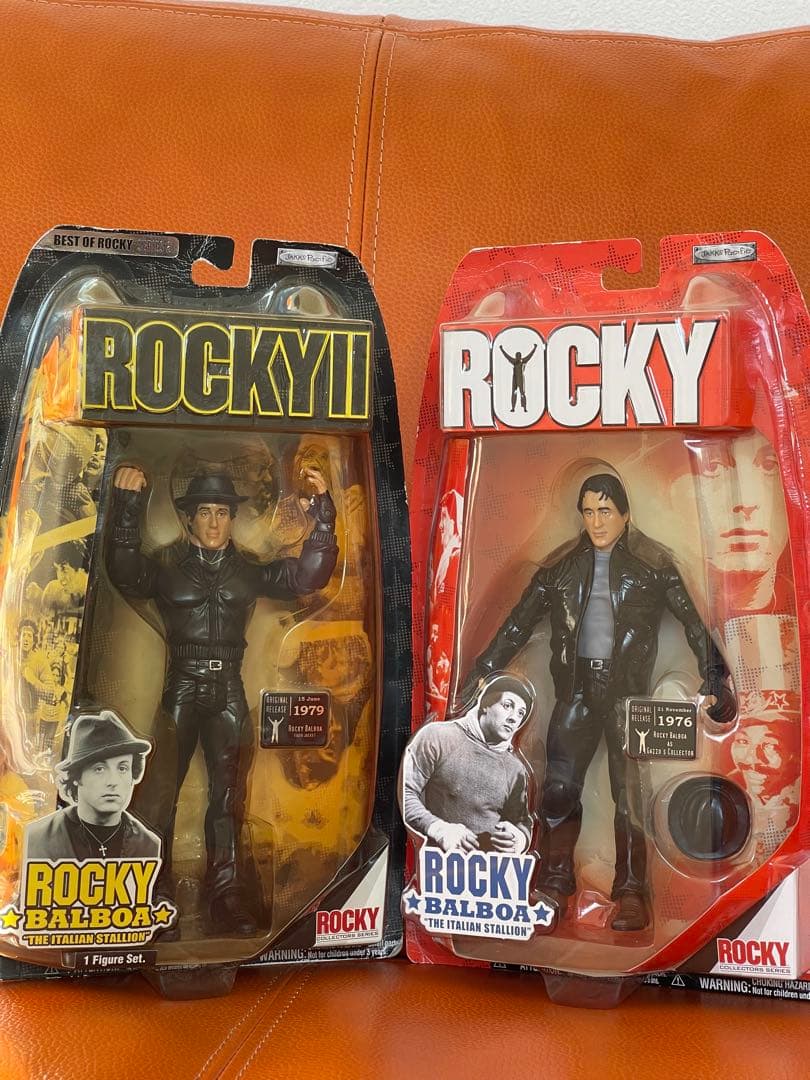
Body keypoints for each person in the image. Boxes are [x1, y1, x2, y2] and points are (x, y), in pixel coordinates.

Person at [465, 473, 736, 932]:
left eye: (605, 510)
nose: (596, 521)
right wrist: (481, 673)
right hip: (576, 691)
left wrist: (715, 676)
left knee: (630, 797)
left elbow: (693, 623)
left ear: (625, 513)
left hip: (629, 698)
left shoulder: (652, 566)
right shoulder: (561, 569)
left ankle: (631, 892)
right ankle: (553, 883)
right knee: (558, 791)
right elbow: (517, 625)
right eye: (589, 511)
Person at [106, 466, 338, 935]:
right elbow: (126, 572)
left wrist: (324, 518)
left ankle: (226, 892)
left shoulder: (247, 572)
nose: (214, 522)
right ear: (189, 518)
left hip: (229, 686)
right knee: (160, 790)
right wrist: (127, 507)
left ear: (233, 518)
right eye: (205, 512)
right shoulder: (170, 569)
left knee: (229, 795)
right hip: (182, 683)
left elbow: (307, 577)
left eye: (222, 513)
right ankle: (153, 888)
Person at [402, 674, 534, 855]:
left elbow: (522, 821)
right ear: (485, 704)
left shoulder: (515, 769)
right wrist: (438, 829)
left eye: (520, 713)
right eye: (507, 705)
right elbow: (405, 792)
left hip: (491, 869)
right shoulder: (439, 737)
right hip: (435, 863)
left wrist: (519, 839)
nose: (514, 718)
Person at [24, 710, 160, 862]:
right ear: (77, 776)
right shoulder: (38, 840)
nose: (113, 781)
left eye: (122, 768)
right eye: (99, 769)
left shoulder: (149, 845)